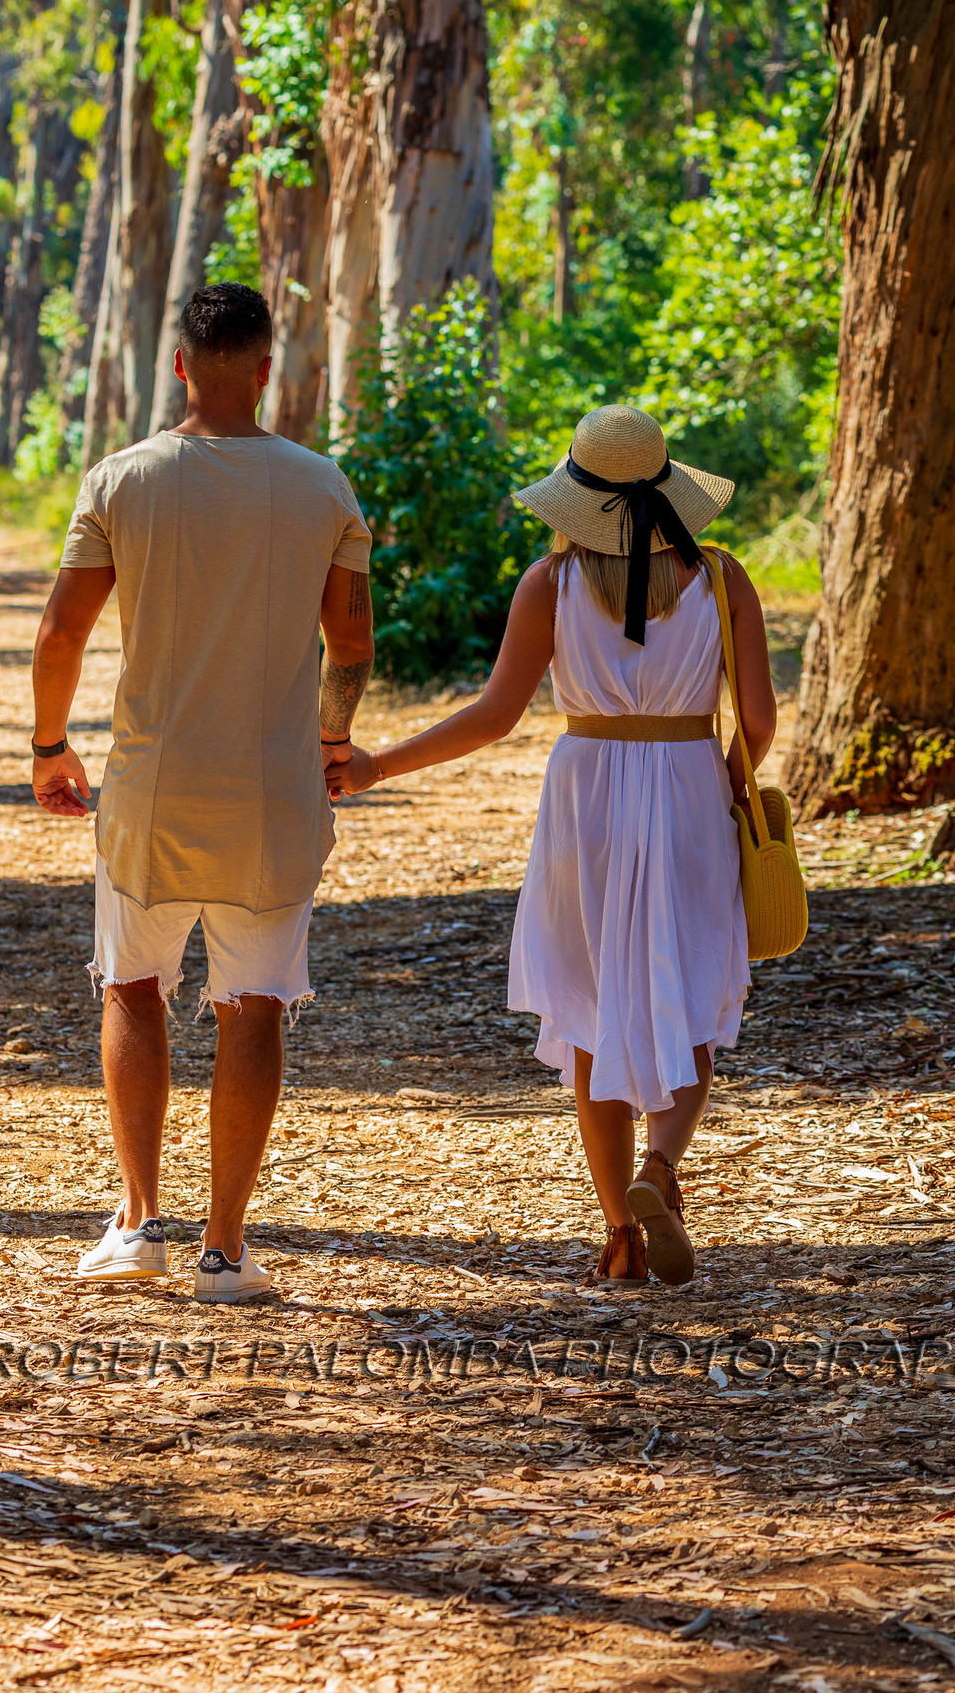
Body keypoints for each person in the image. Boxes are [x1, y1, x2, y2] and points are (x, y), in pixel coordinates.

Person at [327, 404, 775, 1287]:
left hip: (587, 800)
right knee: (687, 997)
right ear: (669, 487)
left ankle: (619, 1235)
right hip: (686, 785)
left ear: (577, 498)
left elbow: (495, 715)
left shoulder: (552, 582)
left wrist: (378, 765)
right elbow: (757, 721)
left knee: (590, 1012)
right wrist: (723, 779)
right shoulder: (723, 579)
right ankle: (661, 1170)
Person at [30, 281, 374, 1298]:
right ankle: (226, 1245)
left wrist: (51, 744)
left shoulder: (122, 479)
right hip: (273, 793)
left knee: (134, 987)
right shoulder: (324, 487)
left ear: (179, 363)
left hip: (150, 787)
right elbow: (349, 639)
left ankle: (138, 1224)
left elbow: (61, 633)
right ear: (268, 368)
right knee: (254, 1005)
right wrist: (332, 740)